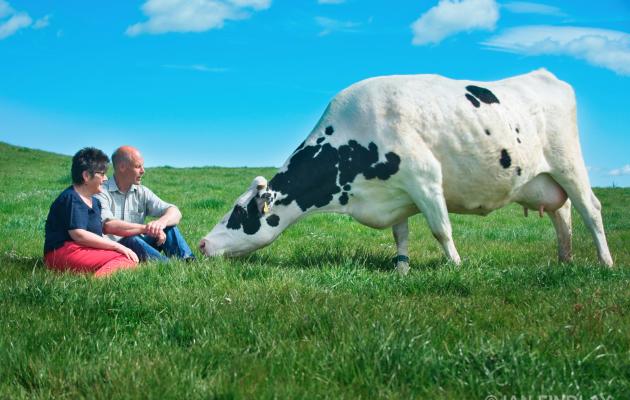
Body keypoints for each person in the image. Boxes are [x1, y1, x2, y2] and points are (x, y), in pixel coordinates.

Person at [44, 148, 139, 278]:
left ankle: (99, 275)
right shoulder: (72, 198)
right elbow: (79, 235)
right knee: (124, 260)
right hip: (61, 252)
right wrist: (117, 246)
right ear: (86, 176)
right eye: (102, 173)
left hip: (81, 249)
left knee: (128, 260)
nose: (105, 179)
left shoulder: (95, 202)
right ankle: (96, 283)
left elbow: (95, 236)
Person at [95, 146, 195, 262]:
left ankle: (189, 262)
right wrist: (147, 229)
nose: (143, 171)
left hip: (140, 245)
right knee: (131, 239)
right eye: (138, 166)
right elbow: (108, 226)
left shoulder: (142, 191)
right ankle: (167, 267)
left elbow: (175, 211)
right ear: (122, 167)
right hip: (117, 251)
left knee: (169, 227)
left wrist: (160, 223)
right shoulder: (100, 191)